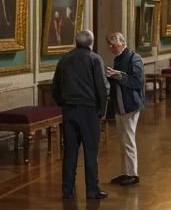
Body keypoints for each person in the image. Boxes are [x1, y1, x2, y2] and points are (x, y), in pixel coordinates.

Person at [51, 29, 110, 199]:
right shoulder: (94, 59)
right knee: (91, 151)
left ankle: (67, 189)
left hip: (69, 110)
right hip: (89, 110)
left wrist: (63, 104)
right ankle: (92, 189)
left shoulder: (65, 59)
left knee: (70, 151)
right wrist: (102, 110)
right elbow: (102, 87)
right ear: (91, 42)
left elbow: (55, 87)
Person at [105, 31, 146, 187]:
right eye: (108, 44)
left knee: (128, 140)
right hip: (120, 105)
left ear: (121, 42)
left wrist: (119, 76)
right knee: (122, 141)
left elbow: (137, 82)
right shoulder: (119, 59)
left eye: (112, 43)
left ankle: (132, 174)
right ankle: (125, 172)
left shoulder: (134, 58)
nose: (110, 47)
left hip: (130, 105)